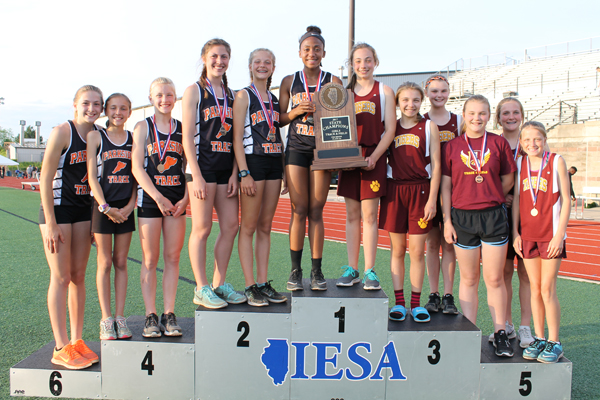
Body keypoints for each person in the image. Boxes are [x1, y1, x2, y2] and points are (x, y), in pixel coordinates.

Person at [441, 95, 517, 357]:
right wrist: (447, 220)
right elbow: (446, 186)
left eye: (482, 113)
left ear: (488, 116)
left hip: (493, 216)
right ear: (464, 114)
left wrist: (492, 194)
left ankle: (500, 333)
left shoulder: (498, 143)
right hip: (462, 217)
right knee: (469, 278)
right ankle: (469, 331)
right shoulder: (452, 146)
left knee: (494, 278)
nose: (477, 118)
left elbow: (507, 178)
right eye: (472, 113)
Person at [39, 85, 103, 369]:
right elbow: (45, 177)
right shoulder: (63, 131)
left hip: (82, 210)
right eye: (86, 103)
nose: (91, 109)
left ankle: (77, 341)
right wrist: (51, 223)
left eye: (96, 104)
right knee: (61, 277)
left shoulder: (97, 135)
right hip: (58, 210)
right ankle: (60, 345)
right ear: (75, 105)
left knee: (78, 276)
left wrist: (93, 218)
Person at [279, 26, 343, 291]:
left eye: (317, 49)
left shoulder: (334, 81)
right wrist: (295, 112)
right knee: (298, 209)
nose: (312, 53)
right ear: (299, 53)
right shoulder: (288, 81)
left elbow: (342, 119)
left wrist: (324, 113)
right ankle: (296, 271)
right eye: (307, 49)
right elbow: (279, 119)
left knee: (317, 210)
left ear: (324, 52)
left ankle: (316, 271)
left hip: (322, 151)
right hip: (296, 148)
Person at [182, 39, 243, 309]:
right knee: (202, 228)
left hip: (225, 169)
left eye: (224, 57)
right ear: (204, 59)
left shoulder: (233, 95)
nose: (219, 61)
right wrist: (194, 174)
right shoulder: (194, 91)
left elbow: (235, 137)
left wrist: (234, 173)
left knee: (231, 226)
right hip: (202, 169)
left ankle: (219, 284)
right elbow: (186, 137)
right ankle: (201, 287)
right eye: (215, 56)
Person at [334, 43, 395, 289]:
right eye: (358, 61)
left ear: (375, 62)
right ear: (352, 64)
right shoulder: (343, 92)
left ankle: (370, 270)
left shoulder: (385, 91)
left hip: (374, 156)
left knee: (369, 216)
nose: (363, 65)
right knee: (351, 215)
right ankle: (353, 269)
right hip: (349, 158)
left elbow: (390, 129)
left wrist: (376, 157)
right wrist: (340, 157)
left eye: (368, 60)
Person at [132, 77, 188, 337]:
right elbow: (136, 167)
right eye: (159, 95)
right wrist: (157, 197)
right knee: (150, 258)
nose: (165, 99)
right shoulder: (143, 126)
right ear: (151, 98)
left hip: (177, 201)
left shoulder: (182, 128)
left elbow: (189, 167)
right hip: (151, 201)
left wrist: (186, 198)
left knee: (173, 258)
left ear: (175, 98)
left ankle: (169, 313)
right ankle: (150, 315)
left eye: (169, 95)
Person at [233, 48, 288, 306]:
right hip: (253, 162)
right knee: (249, 226)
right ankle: (249, 285)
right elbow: (236, 138)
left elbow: (278, 133)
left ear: (273, 68)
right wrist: (243, 172)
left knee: (266, 227)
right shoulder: (244, 95)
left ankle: (264, 283)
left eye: (267, 62)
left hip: (274, 162)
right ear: (250, 66)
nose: (262, 65)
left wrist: (285, 167)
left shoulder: (275, 100)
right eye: (258, 62)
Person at [381, 82, 440, 322]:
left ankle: (416, 303)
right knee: (397, 250)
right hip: (394, 191)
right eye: (405, 100)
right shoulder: (390, 127)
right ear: (397, 102)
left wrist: (433, 199)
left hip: (421, 191)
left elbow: (436, 166)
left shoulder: (429, 127)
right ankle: (399, 303)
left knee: (417, 252)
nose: (410, 104)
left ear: (421, 101)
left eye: (415, 100)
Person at [513, 121, 570, 363]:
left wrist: (560, 235)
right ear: (521, 143)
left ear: (544, 139)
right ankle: (539, 337)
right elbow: (516, 199)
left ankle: (555, 341)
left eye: (536, 139)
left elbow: (566, 200)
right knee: (534, 289)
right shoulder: (520, 162)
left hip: (550, 235)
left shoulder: (556, 161)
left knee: (547, 289)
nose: (532, 144)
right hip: (527, 235)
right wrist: (515, 232)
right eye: (526, 140)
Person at [86, 93, 136, 340]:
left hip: (125, 209)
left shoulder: (134, 139)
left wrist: (130, 207)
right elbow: (92, 177)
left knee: (121, 262)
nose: (118, 112)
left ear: (130, 111)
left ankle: (119, 316)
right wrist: (105, 207)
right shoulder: (96, 136)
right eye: (113, 108)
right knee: (104, 262)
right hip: (103, 208)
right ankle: (106, 318)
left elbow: (137, 177)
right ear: (106, 110)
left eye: (123, 108)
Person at [488, 97, 534, 348]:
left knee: (526, 273)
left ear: (522, 115)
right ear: (498, 117)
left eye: (516, 112)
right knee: (504, 272)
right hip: (501, 213)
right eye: (506, 113)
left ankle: (526, 326)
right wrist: (501, 195)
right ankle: (505, 323)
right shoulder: (492, 143)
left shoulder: (531, 143)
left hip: (528, 215)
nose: (511, 117)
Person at [422, 75, 461, 314]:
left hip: (454, 191)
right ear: (427, 92)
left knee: (449, 243)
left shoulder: (459, 121)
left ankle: (448, 295)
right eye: (434, 91)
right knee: (431, 243)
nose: (439, 95)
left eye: (443, 91)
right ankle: (433, 293)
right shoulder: (420, 121)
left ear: (449, 92)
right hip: (427, 189)